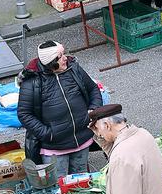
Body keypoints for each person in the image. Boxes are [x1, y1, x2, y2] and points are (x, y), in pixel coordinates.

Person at [17, 40, 103, 179]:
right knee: (59, 186)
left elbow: (93, 89)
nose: (65, 58)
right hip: (54, 148)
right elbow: (24, 114)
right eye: (60, 56)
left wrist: (92, 111)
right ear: (51, 63)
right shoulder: (32, 81)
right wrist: (47, 134)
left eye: (63, 54)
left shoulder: (74, 69)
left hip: (82, 139)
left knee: (81, 182)